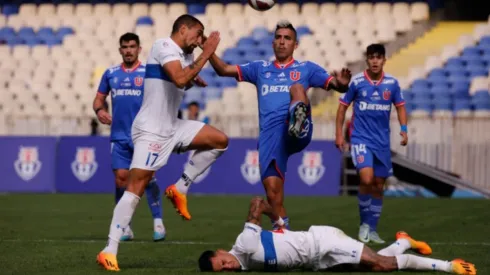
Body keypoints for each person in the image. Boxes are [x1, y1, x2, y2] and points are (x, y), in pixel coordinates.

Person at [96, 15, 228, 271]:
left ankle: (180, 187)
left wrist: (195, 72)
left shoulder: (187, 56)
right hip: (151, 130)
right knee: (135, 187)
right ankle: (109, 250)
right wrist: (206, 53)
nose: (199, 40)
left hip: (172, 125)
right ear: (183, 29)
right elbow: (178, 79)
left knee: (220, 141)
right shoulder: (163, 46)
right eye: (197, 34)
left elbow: (180, 81)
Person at [205, 20, 351, 230]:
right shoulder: (260, 68)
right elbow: (224, 69)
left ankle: (296, 120)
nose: (282, 42)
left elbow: (336, 85)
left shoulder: (306, 68)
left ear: (295, 45)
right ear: (273, 42)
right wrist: (208, 51)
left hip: (297, 132)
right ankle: (284, 233)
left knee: (297, 89)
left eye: (287, 38)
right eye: (279, 37)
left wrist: (342, 84)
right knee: (273, 195)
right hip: (271, 139)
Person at [197, 197, 476, 274]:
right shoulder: (245, 265)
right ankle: (404, 241)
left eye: (223, 263)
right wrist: (280, 228)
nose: (228, 268)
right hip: (318, 262)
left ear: (221, 252)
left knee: (382, 264)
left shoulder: (245, 244)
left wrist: (278, 219)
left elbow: (257, 202)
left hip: (324, 242)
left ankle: (450, 266)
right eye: (222, 271)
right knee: (375, 268)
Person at [92, 33, 165, 242]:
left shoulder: (149, 72)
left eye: (132, 46)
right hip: (119, 136)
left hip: (145, 135)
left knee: (148, 178)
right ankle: (125, 227)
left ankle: (158, 222)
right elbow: (98, 99)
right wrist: (99, 111)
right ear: (120, 50)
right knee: (121, 180)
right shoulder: (111, 74)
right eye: (125, 47)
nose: (128, 50)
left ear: (139, 49)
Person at [335, 44, 408, 244]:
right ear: (367, 60)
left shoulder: (392, 83)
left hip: (382, 143)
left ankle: (372, 228)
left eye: (379, 57)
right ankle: (364, 225)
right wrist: (339, 135)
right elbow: (342, 108)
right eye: (371, 57)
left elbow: (400, 107)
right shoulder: (357, 82)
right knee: (367, 179)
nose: (375, 61)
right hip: (361, 139)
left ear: (384, 60)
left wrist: (404, 129)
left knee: (378, 185)